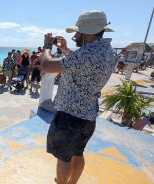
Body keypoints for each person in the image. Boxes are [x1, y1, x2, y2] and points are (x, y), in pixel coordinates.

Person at [40, 10, 115, 184]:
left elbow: (46, 64)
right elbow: (81, 64)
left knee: (63, 158)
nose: (76, 35)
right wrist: (65, 50)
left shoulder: (87, 54)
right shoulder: (107, 51)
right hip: (88, 116)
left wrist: (46, 46)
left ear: (88, 33)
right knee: (78, 153)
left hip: (69, 116)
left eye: (78, 31)